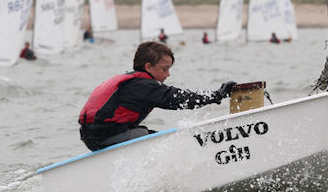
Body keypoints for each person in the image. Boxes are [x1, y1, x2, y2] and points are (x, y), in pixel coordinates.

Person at [78, 41, 236, 151]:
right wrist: (217, 95)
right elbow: (177, 99)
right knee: (161, 142)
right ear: (148, 66)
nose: (168, 74)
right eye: (164, 69)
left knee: (154, 136)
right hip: (105, 136)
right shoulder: (142, 86)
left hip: (95, 137)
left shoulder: (133, 81)